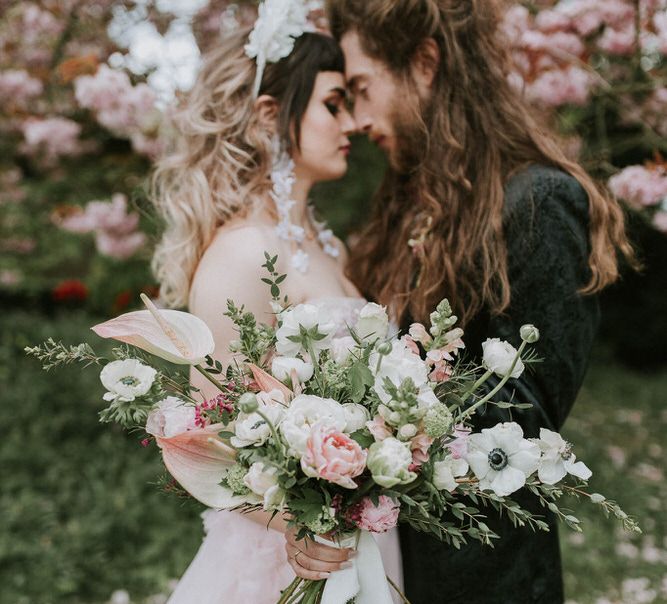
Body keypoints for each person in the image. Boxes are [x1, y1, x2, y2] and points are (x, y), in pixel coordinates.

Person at [284, 1, 636, 602]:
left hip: (481, 576)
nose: (359, 117)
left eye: (364, 88)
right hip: (386, 562)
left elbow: (521, 427)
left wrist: (360, 430)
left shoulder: (537, 202)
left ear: (425, 64)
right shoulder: (414, 205)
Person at [150, 16, 403, 604]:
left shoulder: (328, 247)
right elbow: (205, 445)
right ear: (269, 116)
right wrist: (298, 526)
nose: (351, 124)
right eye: (333, 105)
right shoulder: (240, 254)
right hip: (282, 567)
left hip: (360, 543)